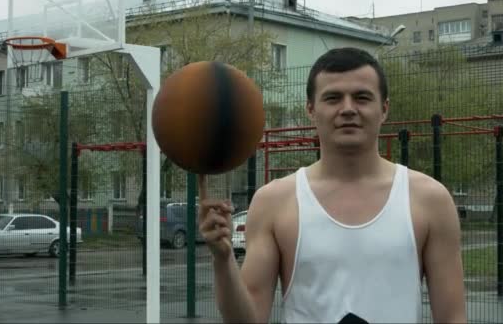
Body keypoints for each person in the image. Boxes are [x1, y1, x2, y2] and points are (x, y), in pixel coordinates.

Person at [198, 47, 466, 323]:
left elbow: (453, 317)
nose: (348, 108)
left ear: (384, 108)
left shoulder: (429, 200)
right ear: (311, 110)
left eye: (362, 97)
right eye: (333, 98)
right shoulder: (274, 201)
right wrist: (223, 260)